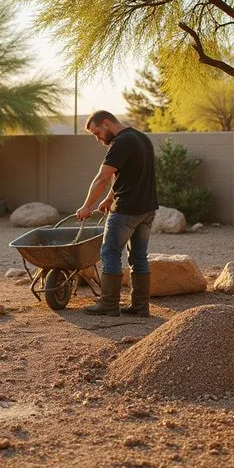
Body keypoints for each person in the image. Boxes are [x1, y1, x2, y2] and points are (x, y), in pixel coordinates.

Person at [76, 111, 158, 317]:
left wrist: (87, 206)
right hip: (147, 208)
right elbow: (125, 175)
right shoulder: (142, 138)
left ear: (106, 123)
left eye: (97, 133)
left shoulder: (120, 142)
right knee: (139, 256)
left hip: (126, 210)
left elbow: (102, 178)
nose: (98, 138)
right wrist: (108, 199)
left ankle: (109, 304)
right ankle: (140, 306)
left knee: (110, 253)